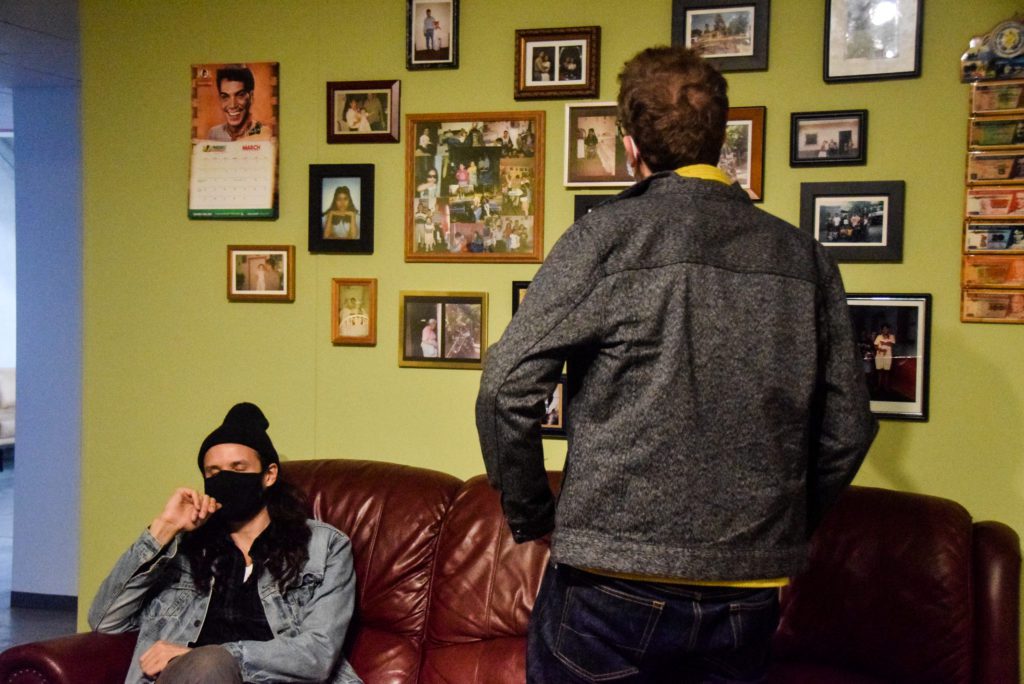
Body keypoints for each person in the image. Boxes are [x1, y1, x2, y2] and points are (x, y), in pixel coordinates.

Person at [475, 45, 877, 683]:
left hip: (608, 583)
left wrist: (532, 515)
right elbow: (849, 429)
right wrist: (773, 527)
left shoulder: (605, 239)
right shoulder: (803, 257)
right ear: (720, 139)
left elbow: (505, 388)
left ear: (631, 145)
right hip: (745, 590)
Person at [88, 403, 362, 684]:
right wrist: (164, 528)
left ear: (269, 475)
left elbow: (317, 655)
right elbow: (105, 620)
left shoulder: (324, 547)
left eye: (238, 467)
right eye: (214, 472)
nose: (225, 479)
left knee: (208, 663)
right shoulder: (185, 550)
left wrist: (211, 656)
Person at [206, 66, 268, 141]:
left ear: (251, 97)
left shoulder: (265, 135)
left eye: (240, 95)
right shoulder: (214, 134)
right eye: (225, 96)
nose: (232, 105)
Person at [873, 323, 896, 392]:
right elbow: (875, 346)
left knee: (887, 372)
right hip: (879, 356)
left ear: (889, 329)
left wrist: (883, 343)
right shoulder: (879, 337)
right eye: (884, 329)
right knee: (879, 371)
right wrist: (881, 349)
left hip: (888, 356)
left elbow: (891, 344)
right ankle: (879, 386)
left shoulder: (892, 336)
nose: (885, 330)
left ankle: (886, 387)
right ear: (882, 330)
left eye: (886, 328)